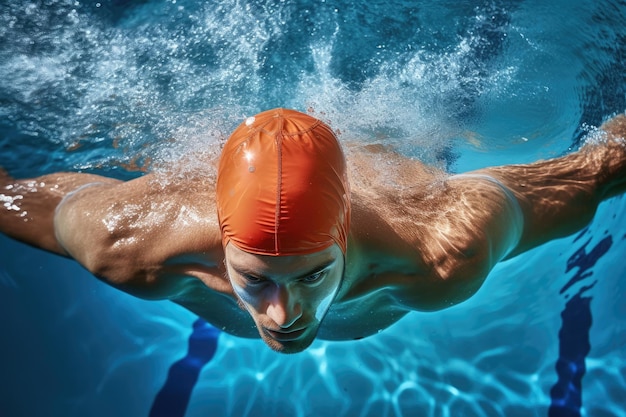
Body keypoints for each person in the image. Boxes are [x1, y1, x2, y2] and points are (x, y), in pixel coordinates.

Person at [1, 108, 625, 354]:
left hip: (396, 151)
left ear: (345, 235)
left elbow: (594, 171)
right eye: (255, 278)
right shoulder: (128, 241)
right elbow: (11, 197)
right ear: (222, 247)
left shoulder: (439, 247)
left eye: (312, 274)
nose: (283, 311)